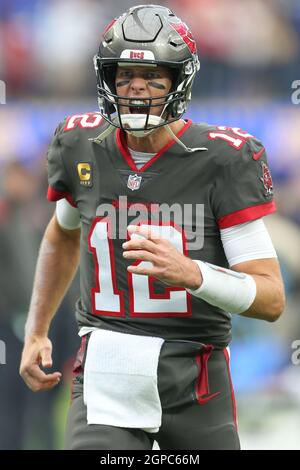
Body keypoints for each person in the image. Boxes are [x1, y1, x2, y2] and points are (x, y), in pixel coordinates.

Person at [20, 4, 285, 450]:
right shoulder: (81, 144)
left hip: (194, 375)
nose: (136, 89)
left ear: (179, 82)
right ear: (106, 81)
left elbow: (271, 298)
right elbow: (62, 234)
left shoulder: (222, 158)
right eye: (123, 77)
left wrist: (193, 274)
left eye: (153, 78)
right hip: (106, 370)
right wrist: (36, 330)